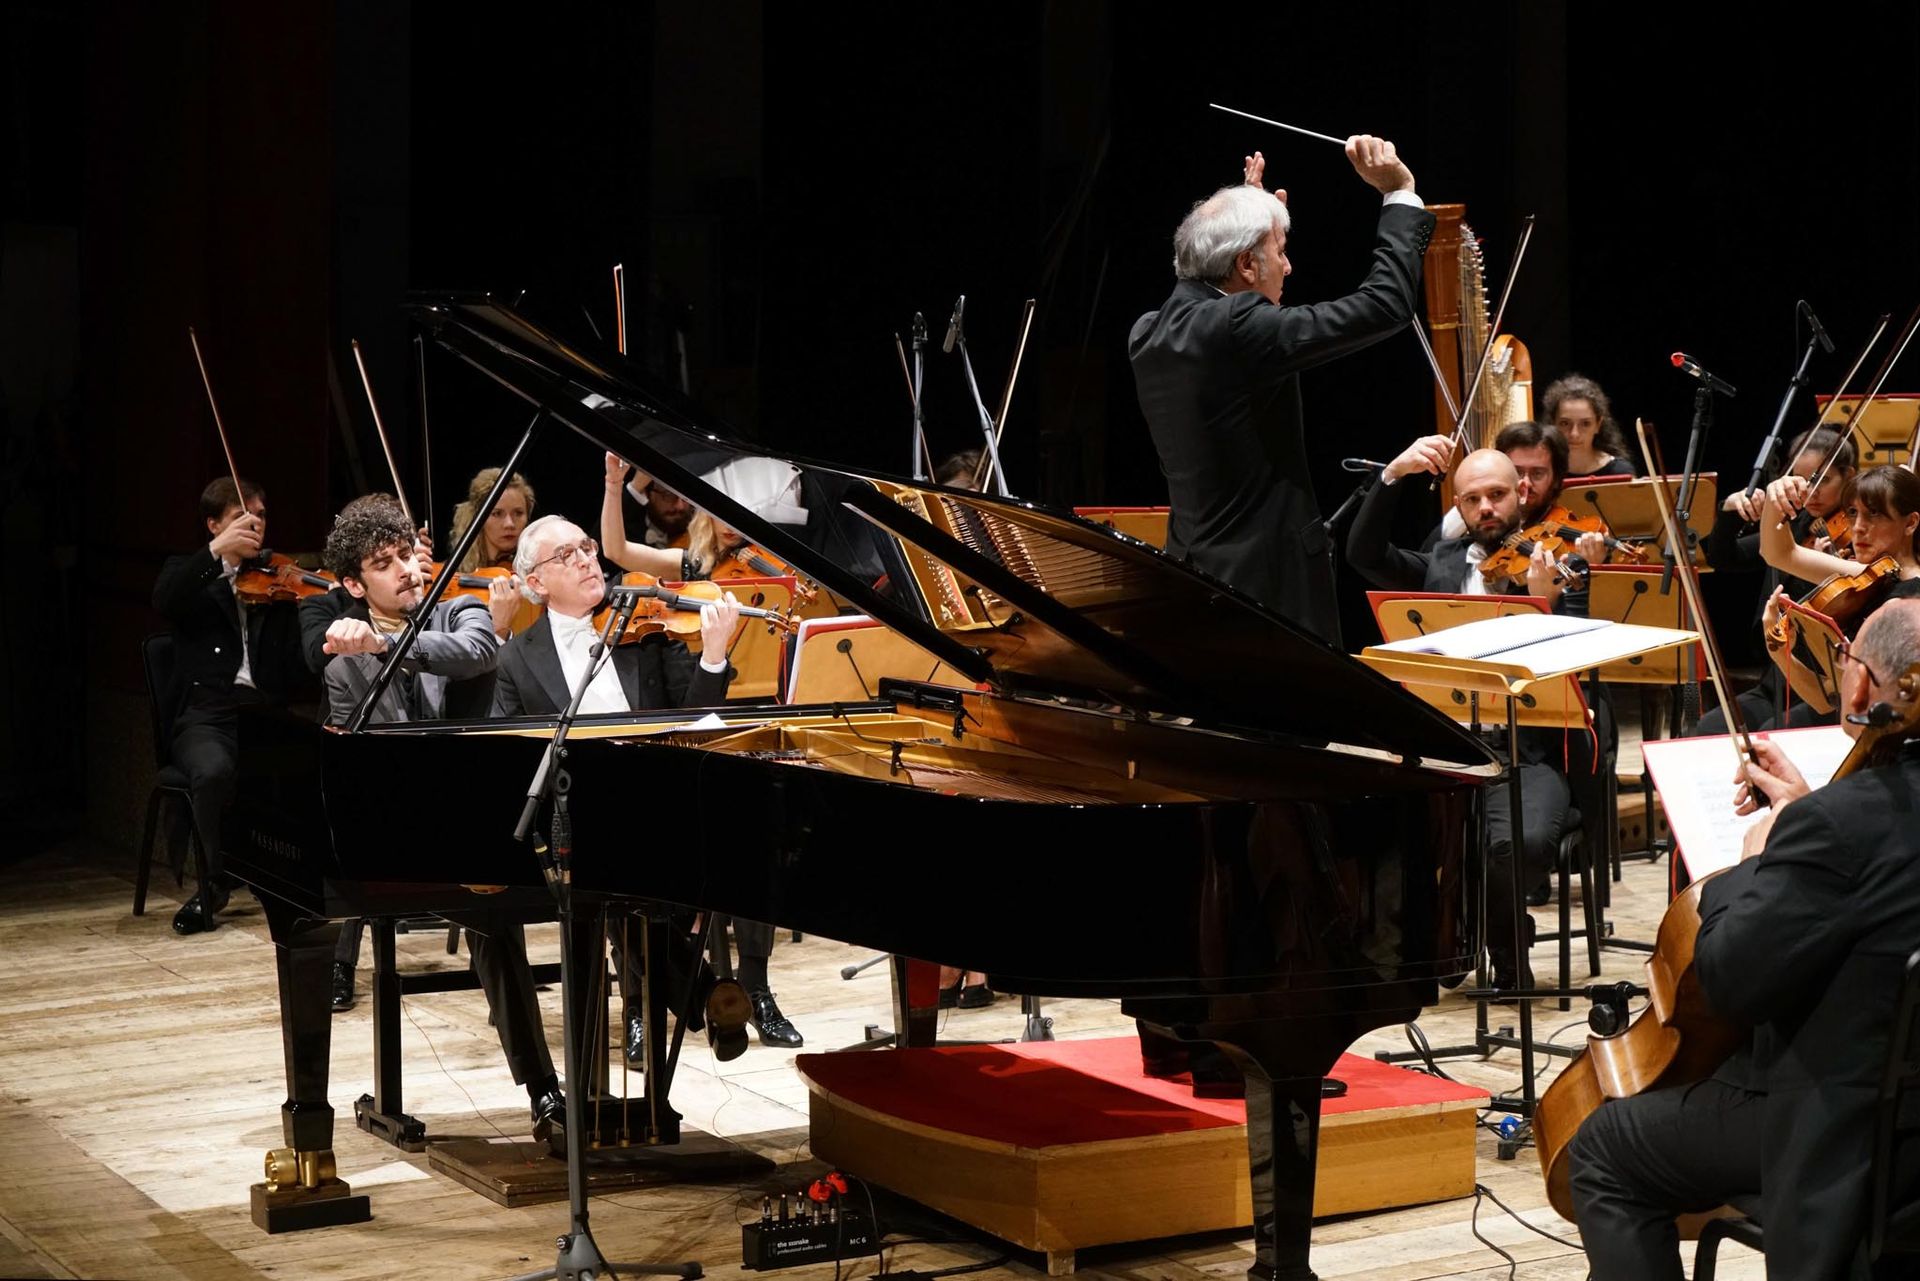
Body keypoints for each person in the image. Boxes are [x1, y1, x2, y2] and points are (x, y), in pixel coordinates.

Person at [1568, 598, 1920, 1281]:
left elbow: (1730, 981)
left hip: (1848, 1132)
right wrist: (1807, 812)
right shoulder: (1842, 820)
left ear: (1859, 689)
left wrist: (1756, 862)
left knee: (1605, 1148)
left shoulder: (1838, 826)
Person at [302, 494, 563, 1136]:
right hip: (401, 834)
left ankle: (549, 1091)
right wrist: (364, 651)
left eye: (405, 555)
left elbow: (479, 652)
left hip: (477, 825)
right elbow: (360, 768)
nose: (404, 571)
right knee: (488, 908)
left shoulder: (461, 609)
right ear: (353, 585)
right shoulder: (345, 662)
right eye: (383, 564)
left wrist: (389, 641)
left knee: (506, 913)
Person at [493, 515, 802, 1055]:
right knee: (611, 869)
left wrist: (714, 654)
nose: (587, 560)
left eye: (586, 547)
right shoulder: (518, 657)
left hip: (667, 798)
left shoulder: (646, 623)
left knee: (748, 819)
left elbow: (695, 719)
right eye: (566, 555)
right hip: (578, 817)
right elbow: (509, 754)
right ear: (536, 582)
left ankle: (683, 996)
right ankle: (700, 995)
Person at [1129, 136, 1434, 644]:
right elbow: (1386, 305)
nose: (1289, 267)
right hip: (1270, 593)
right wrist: (1399, 193)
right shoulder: (1238, 328)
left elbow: (1213, 291)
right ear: (1246, 265)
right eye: (1280, 252)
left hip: (1196, 577)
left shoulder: (1148, 333)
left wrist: (1252, 213)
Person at [1347, 438, 1586, 987]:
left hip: (1523, 753)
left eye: (1497, 495)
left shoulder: (1561, 565)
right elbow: (1362, 553)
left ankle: (1497, 942)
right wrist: (1391, 476)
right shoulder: (1438, 564)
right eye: (1473, 500)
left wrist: (1544, 603)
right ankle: (1438, 947)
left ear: (1521, 493)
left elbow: (1581, 660)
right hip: (1448, 748)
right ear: (1458, 506)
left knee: (1520, 843)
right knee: (1379, 827)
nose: (1486, 508)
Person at [151, 477, 310, 935]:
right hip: (207, 714)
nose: (255, 523)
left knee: (311, 767)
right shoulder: (187, 573)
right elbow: (165, 600)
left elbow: (298, 661)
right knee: (212, 771)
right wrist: (216, 553)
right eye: (242, 516)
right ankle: (213, 883)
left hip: (264, 713)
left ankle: (298, 885)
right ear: (213, 524)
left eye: (260, 515)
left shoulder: (277, 575)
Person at [1699, 425, 1859, 735]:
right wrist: (1729, 510)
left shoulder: (1859, 534)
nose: (1810, 491)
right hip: (1778, 680)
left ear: (1849, 476)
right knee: (1709, 728)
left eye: (1823, 480)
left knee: (1771, 734)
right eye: (1801, 480)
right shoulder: (1793, 525)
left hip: (1826, 684)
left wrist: (1825, 569)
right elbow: (1725, 557)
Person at [1755, 464, 1920, 727]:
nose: (1858, 528)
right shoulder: (1874, 576)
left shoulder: (1908, 602)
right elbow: (1779, 553)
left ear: (1910, 523)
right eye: (1853, 513)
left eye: (1874, 514)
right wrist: (1775, 500)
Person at [1542, 374, 1634, 479]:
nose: (1574, 434)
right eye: (1565, 423)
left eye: (1585, 424)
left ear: (1598, 425)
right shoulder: (1541, 472)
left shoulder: (1620, 472)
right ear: (1553, 424)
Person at [447, 467, 535, 572]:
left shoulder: (533, 571)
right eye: (497, 513)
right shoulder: (450, 573)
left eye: (518, 513)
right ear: (478, 517)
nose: (509, 524)